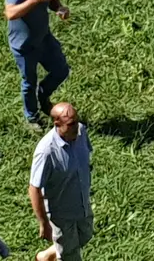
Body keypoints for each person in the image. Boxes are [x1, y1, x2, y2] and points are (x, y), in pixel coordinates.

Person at [4, 0, 70, 124]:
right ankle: (32, 117)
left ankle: (44, 95)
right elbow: (10, 13)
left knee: (61, 70)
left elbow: (53, 0)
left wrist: (60, 9)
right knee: (29, 83)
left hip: (44, 38)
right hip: (25, 45)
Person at [29, 102, 92, 261]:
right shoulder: (46, 151)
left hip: (83, 203)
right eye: (71, 124)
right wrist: (44, 223)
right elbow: (34, 188)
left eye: (77, 120)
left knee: (84, 236)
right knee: (70, 255)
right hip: (61, 213)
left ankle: (45, 256)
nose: (76, 127)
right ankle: (62, 251)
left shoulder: (81, 132)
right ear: (57, 124)